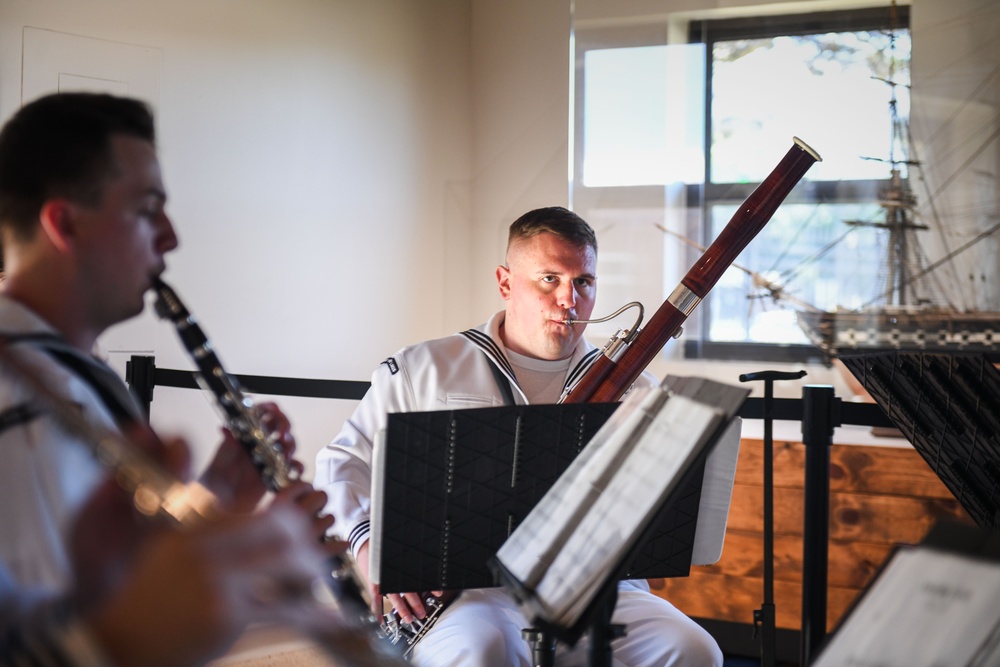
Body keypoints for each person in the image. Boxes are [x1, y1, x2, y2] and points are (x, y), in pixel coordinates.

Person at [0, 92, 350, 666]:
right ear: (65, 224)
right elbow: (71, 642)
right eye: (146, 209)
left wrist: (218, 497)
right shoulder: (26, 407)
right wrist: (264, 582)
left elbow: (106, 589)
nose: (170, 237)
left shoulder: (59, 376)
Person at [315, 206, 724, 666]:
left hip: (590, 590)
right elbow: (342, 461)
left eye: (583, 281)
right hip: (469, 594)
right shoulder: (422, 368)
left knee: (693, 649)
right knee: (483, 649)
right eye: (549, 279)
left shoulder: (634, 389)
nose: (569, 300)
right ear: (506, 282)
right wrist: (372, 548)